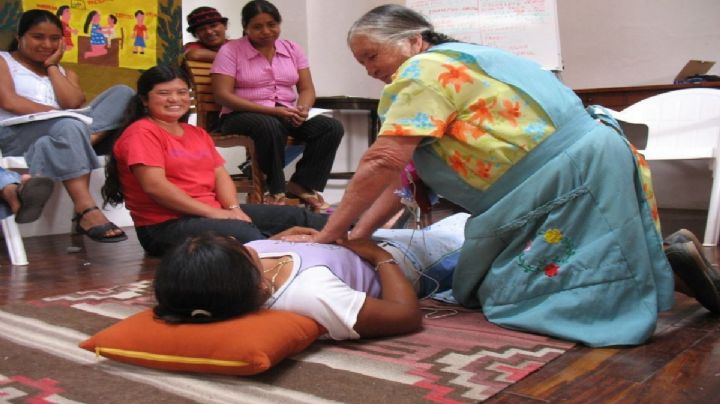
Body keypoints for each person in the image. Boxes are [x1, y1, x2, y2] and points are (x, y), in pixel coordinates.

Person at [287, 4, 720, 347]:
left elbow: (382, 161)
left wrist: (328, 237)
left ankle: (650, 283)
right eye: (361, 62)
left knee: (513, 295)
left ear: (412, 40)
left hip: (564, 178)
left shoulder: (421, 72)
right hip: (586, 163)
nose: (369, 70)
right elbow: (400, 181)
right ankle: (672, 268)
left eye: (372, 56)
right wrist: (354, 236)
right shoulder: (470, 59)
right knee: (551, 264)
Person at [102, 64, 329, 257]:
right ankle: (289, 250)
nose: (175, 99)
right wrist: (216, 214)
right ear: (144, 100)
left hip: (211, 212)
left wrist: (232, 208)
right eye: (164, 93)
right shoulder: (141, 133)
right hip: (163, 227)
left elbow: (220, 174)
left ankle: (353, 237)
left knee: (297, 216)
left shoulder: (196, 133)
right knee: (244, 236)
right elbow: (156, 187)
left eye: (182, 92)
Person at [0, 9, 135, 243]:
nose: (46, 44)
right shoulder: (4, 60)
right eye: (38, 37)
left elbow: (72, 102)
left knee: (123, 94)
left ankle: (73, 139)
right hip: (14, 133)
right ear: (20, 36)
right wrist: (60, 116)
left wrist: (52, 67)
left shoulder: (64, 72)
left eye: (54, 38)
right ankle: (86, 210)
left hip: (61, 129)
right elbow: (8, 101)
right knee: (69, 123)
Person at [212, 0, 344, 210]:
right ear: (245, 28)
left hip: (284, 113)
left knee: (330, 127)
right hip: (240, 115)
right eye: (257, 26)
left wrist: (303, 109)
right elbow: (222, 95)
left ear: (279, 24)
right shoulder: (231, 50)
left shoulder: (292, 49)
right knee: (270, 125)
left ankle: (303, 184)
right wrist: (271, 111)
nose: (266, 31)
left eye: (271, 24)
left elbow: (307, 89)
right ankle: (274, 189)